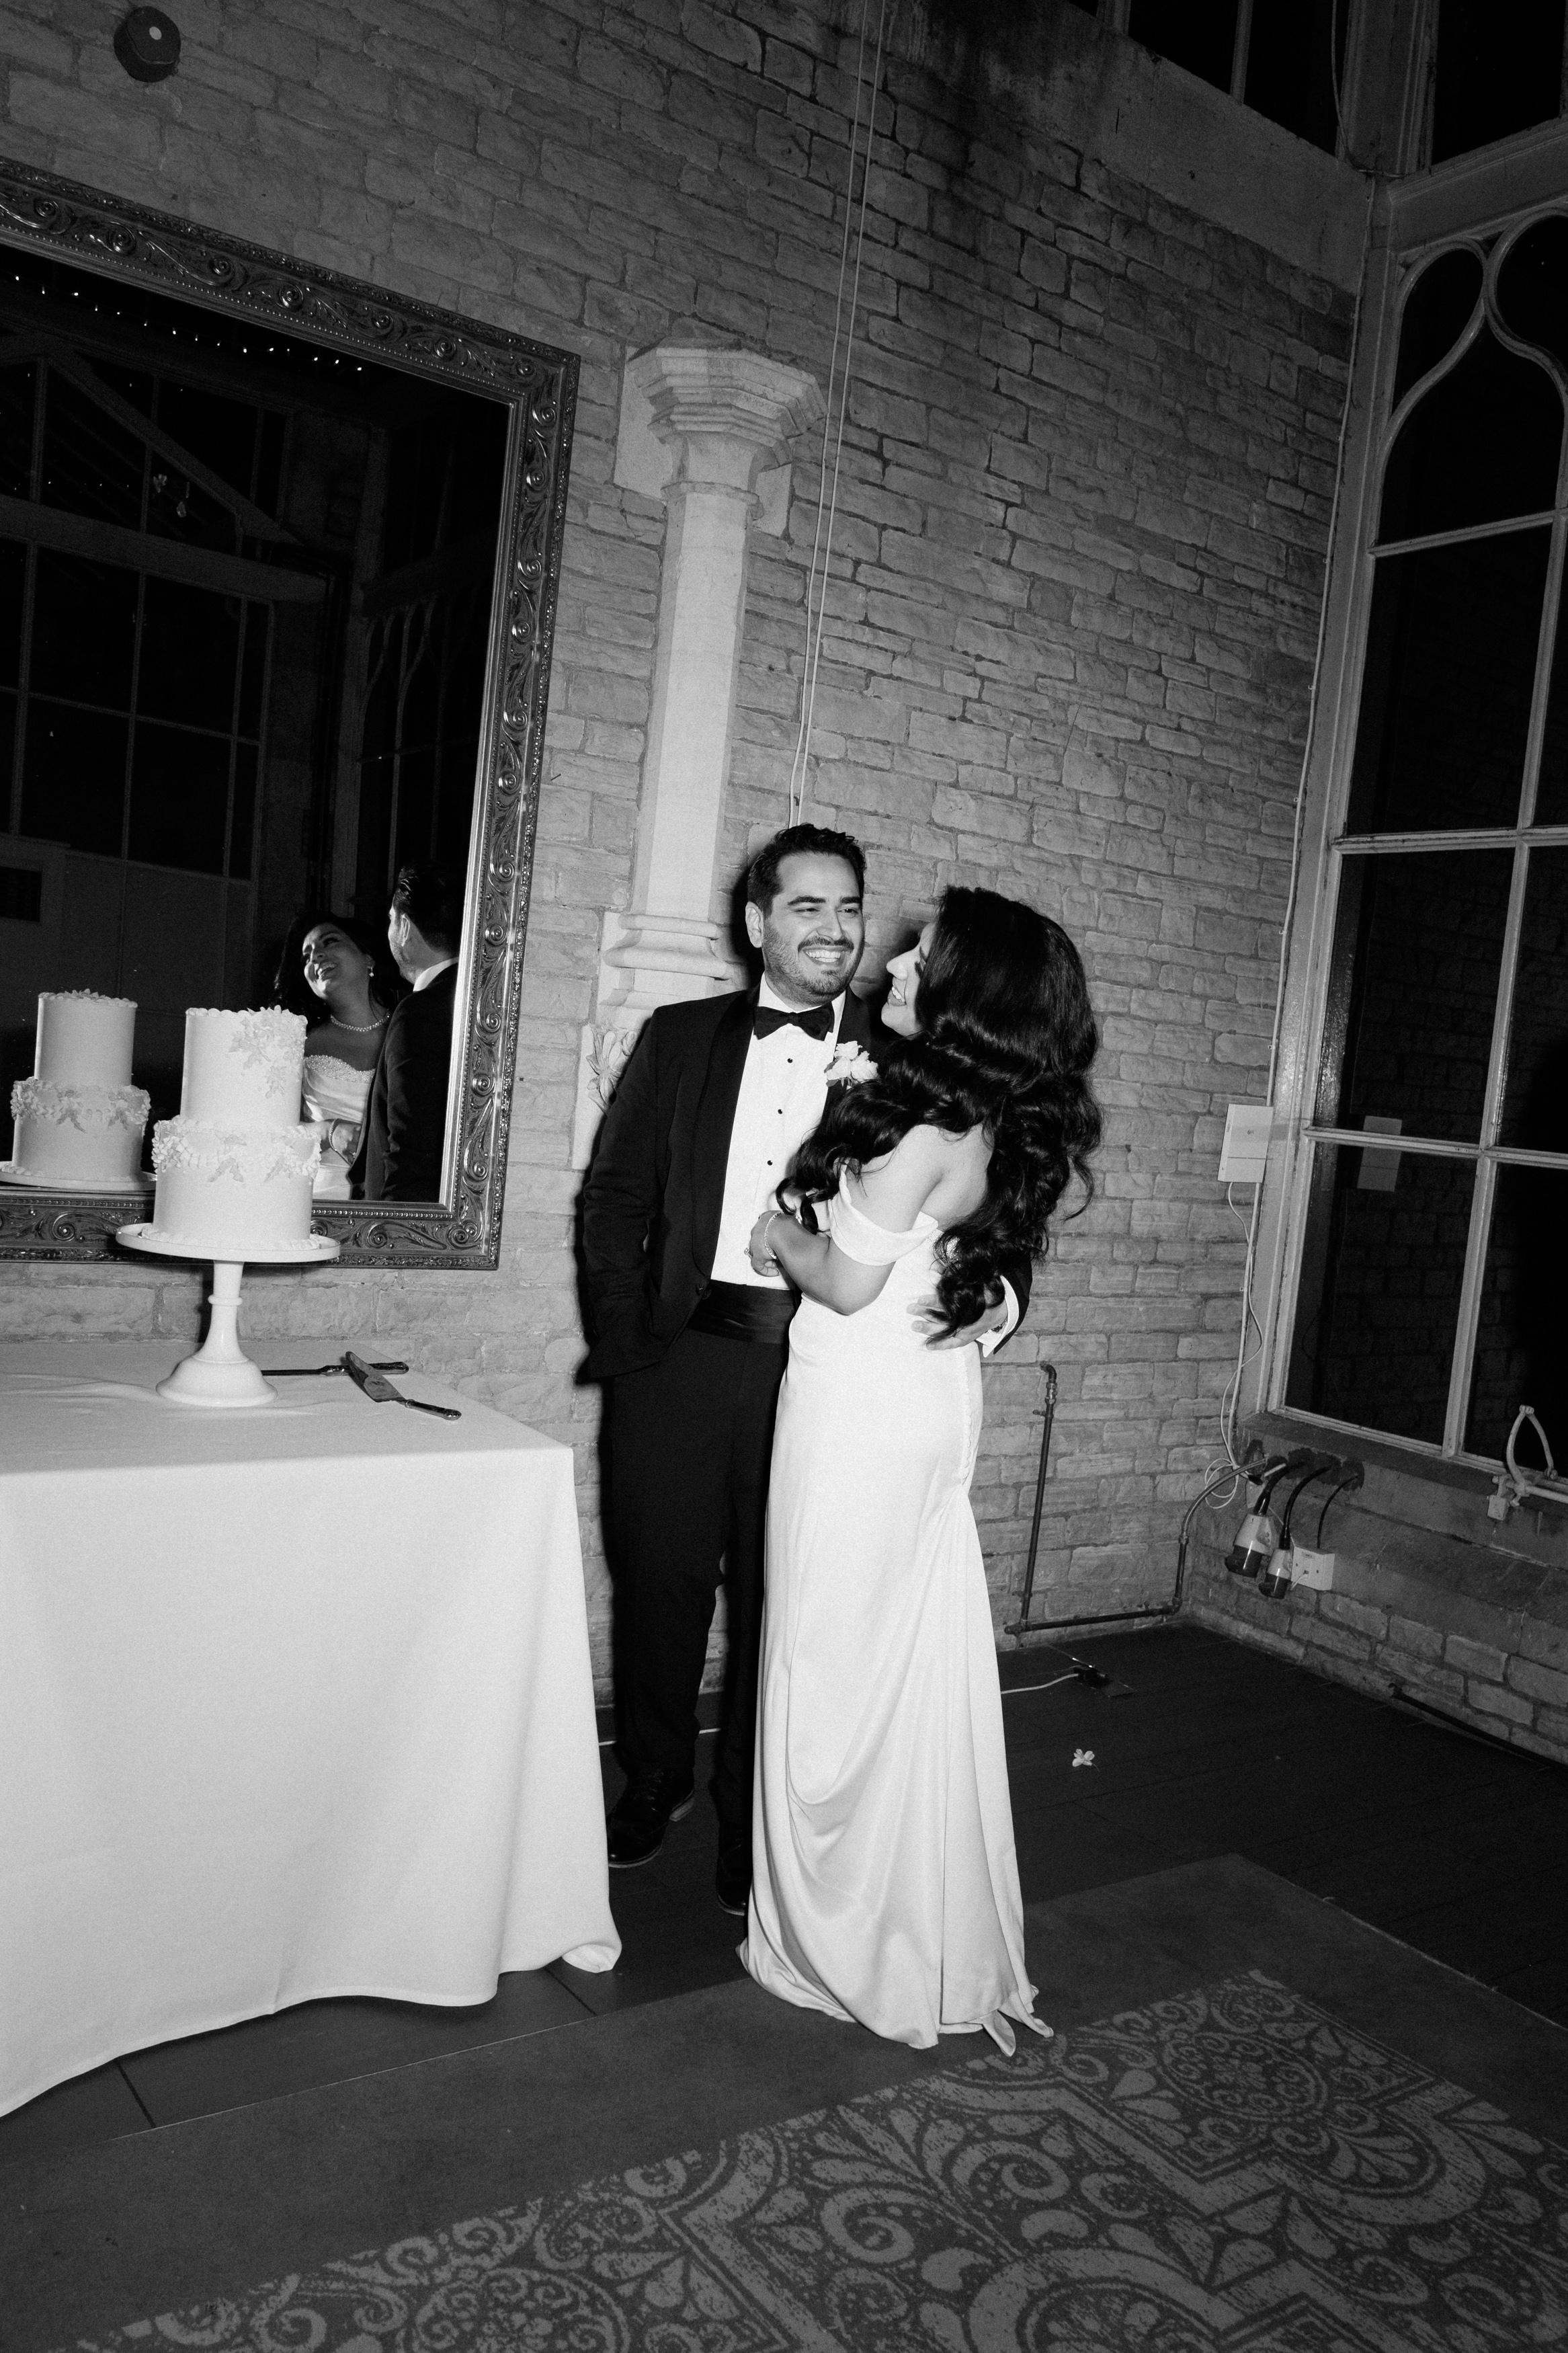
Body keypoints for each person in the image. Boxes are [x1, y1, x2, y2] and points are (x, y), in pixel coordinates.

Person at [580, 827, 1032, 1918]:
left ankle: (758, 1823)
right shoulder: (678, 1038)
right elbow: (614, 1201)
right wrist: (631, 1352)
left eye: (848, 909)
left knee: (794, 1601)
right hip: (683, 1359)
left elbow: (992, 1193)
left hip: (824, 1369)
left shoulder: (913, 1047)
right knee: (659, 1582)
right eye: (806, 908)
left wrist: (995, 1303)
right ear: (757, 923)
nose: (834, 930)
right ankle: (651, 1780)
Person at [739, 885, 1101, 2052]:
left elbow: (843, 1282)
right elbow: (966, 1275)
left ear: (963, 988)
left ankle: (837, 1935)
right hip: (920, 1407)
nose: (894, 959)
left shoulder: (921, 1126)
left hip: (858, 1413)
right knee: (890, 1653)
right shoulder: (992, 1120)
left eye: (920, 950)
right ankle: (895, 1914)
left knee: (827, 1657)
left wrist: (773, 1235)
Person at [350, 863, 462, 1202]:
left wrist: (391, 1236)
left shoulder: (421, 1011)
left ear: (404, 926)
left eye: (389, 919)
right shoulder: (472, 998)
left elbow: (411, 1145)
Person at [274, 914, 397, 1199]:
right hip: (321, 1197)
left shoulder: (407, 1028)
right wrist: (330, 1131)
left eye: (329, 942)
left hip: (396, 1195)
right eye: (307, 957)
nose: (316, 956)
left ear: (368, 959)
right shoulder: (297, 1042)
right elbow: (272, 1131)